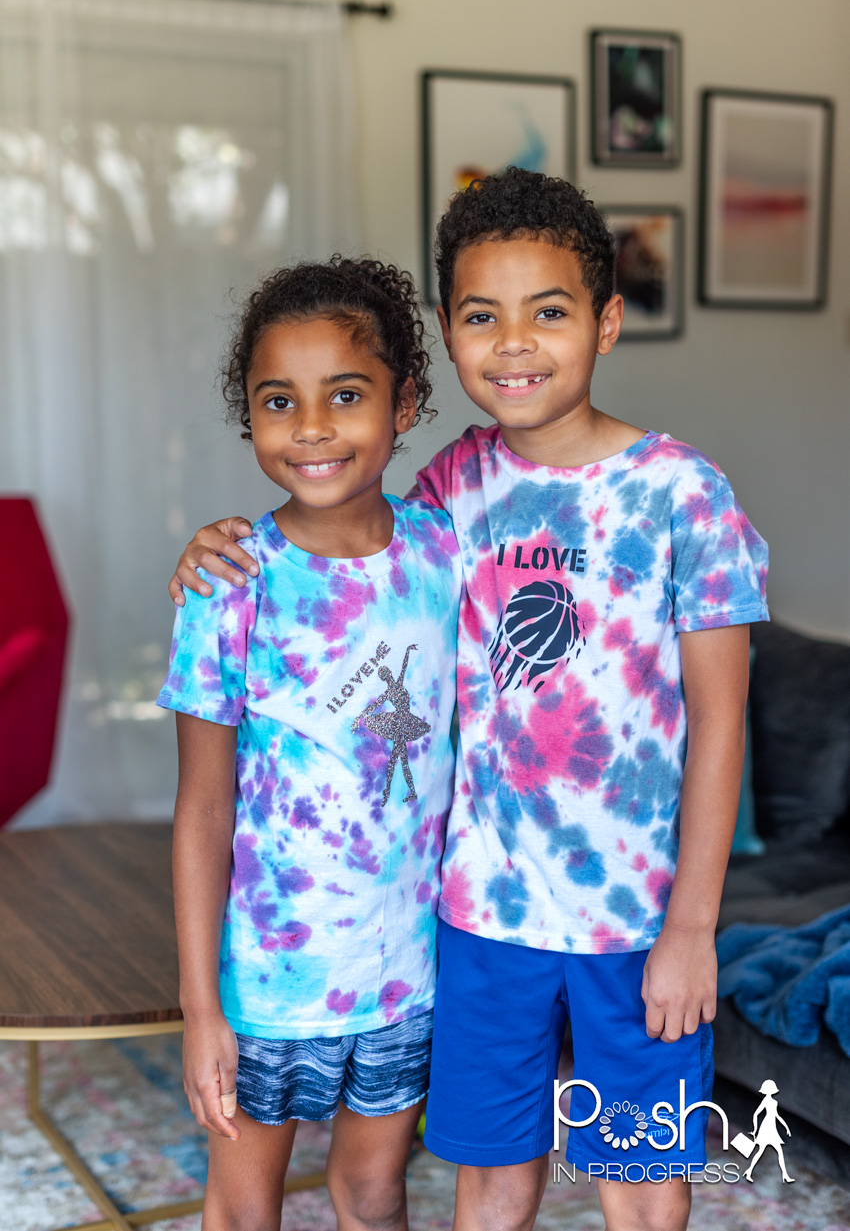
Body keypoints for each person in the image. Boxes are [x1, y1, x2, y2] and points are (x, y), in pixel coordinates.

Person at [167, 168, 769, 1231]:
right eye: (483, 317)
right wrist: (219, 542)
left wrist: (694, 924)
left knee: (635, 1166)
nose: (516, 343)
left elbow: (721, 718)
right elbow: (344, 539)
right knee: (489, 1173)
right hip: (478, 914)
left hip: (635, 916)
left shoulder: (683, 494)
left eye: (549, 313)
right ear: (447, 336)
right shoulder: (452, 487)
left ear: (608, 322)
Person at [157, 256, 461, 1231]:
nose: (314, 426)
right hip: (268, 988)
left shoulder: (447, 552)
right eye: (279, 401)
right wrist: (203, 1008)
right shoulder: (229, 582)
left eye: (346, 394)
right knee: (245, 1207)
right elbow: (204, 807)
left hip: (408, 970)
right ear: (251, 418)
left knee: (374, 1193)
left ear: (405, 402)